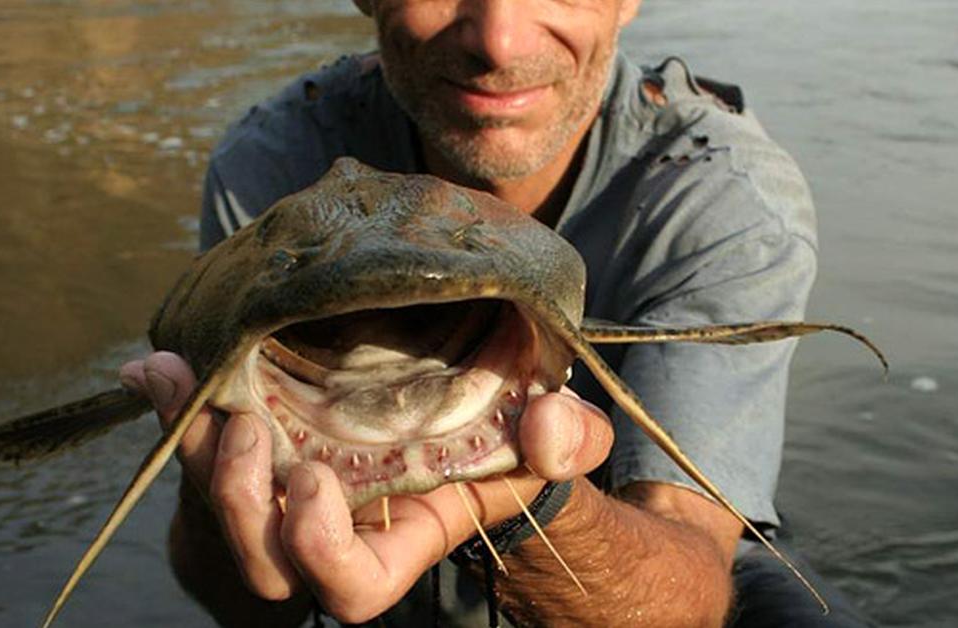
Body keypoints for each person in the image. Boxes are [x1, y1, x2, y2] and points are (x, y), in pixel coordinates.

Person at [121, 1, 872, 626]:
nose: (499, 40)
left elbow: (693, 593)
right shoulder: (273, 162)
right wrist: (215, 478)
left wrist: (525, 507)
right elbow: (239, 605)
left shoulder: (721, 199)